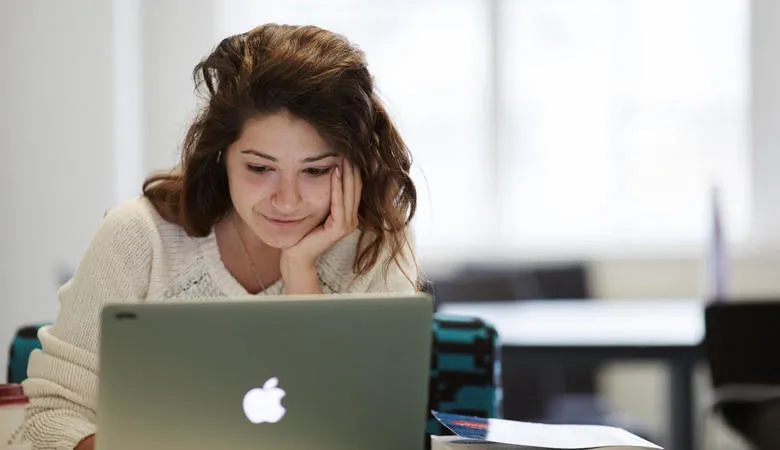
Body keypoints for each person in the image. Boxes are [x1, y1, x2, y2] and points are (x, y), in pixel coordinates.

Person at [20, 23, 419, 450]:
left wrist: (301, 272)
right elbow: (48, 420)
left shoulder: (374, 246)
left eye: (316, 171)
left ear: (353, 166)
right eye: (260, 168)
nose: (286, 201)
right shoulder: (139, 237)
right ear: (221, 156)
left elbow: (369, 432)